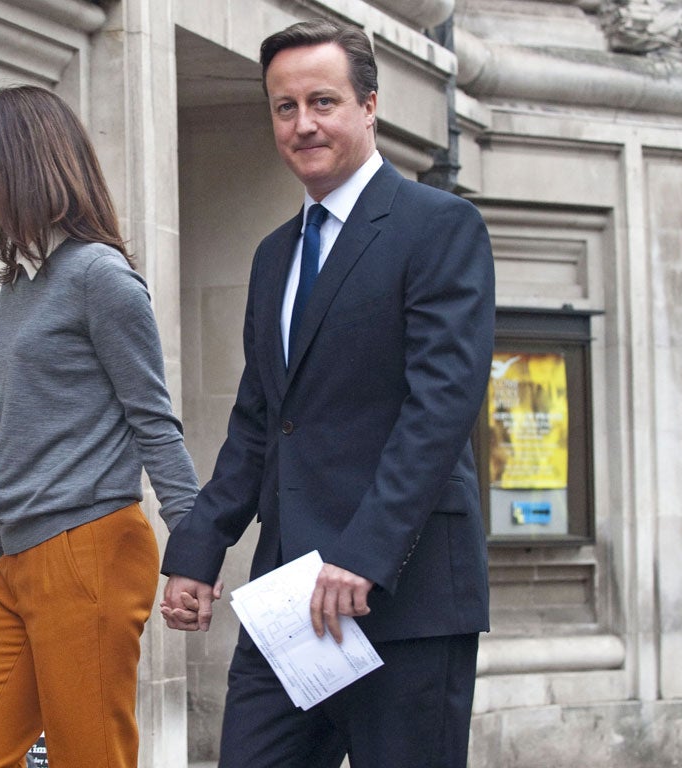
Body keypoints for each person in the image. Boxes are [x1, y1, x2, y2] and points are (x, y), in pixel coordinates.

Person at [160, 18, 494, 768]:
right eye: (285, 107)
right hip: (290, 596)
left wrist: (364, 553)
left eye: (323, 102)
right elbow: (260, 421)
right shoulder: (274, 255)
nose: (303, 124)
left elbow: (440, 408)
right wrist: (199, 547)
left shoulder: (439, 227)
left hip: (405, 595)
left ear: (369, 107)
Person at [0, 85, 198, 768]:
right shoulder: (21, 286)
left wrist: (195, 548)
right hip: (16, 559)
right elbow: (15, 442)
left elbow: (154, 421)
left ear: (20, 158)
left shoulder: (99, 276)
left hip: (90, 550)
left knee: (91, 758)